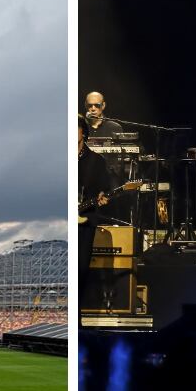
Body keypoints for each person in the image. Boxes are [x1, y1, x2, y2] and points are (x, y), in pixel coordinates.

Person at [78, 114, 114, 309]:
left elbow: (105, 188)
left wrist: (103, 196)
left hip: (86, 221)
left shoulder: (96, 161)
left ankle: (79, 319)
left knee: (81, 270)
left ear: (84, 131)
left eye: (76, 127)